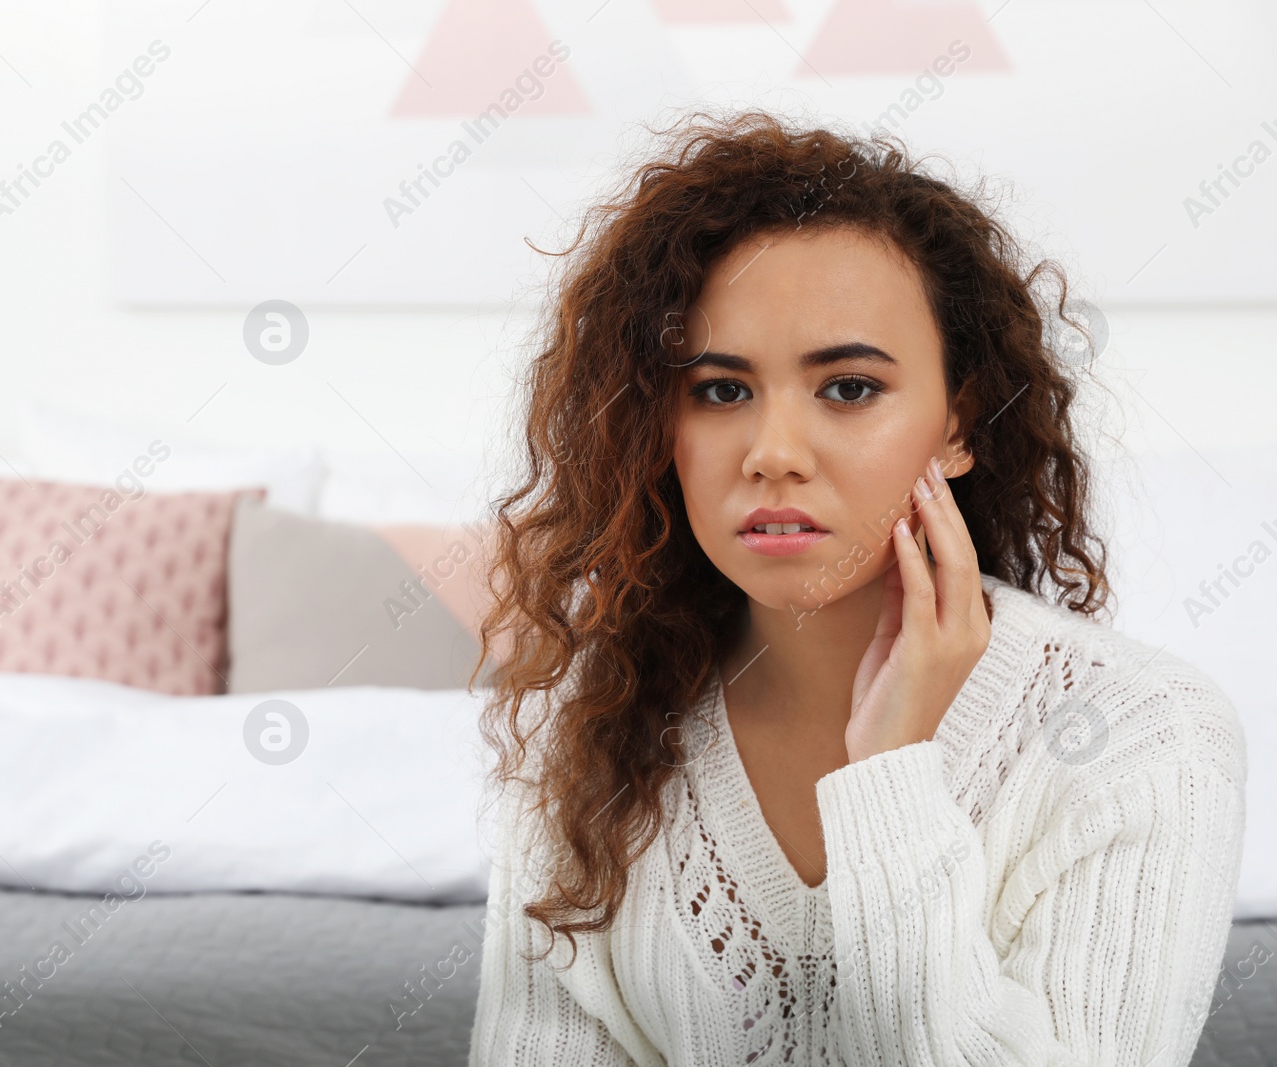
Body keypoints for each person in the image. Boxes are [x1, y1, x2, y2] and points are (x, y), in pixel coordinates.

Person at [466, 109, 1247, 1066]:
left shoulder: (1142, 735)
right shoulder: (590, 728)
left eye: (847, 388)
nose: (773, 454)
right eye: (720, 390)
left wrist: (890, 780)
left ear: (957, 424)